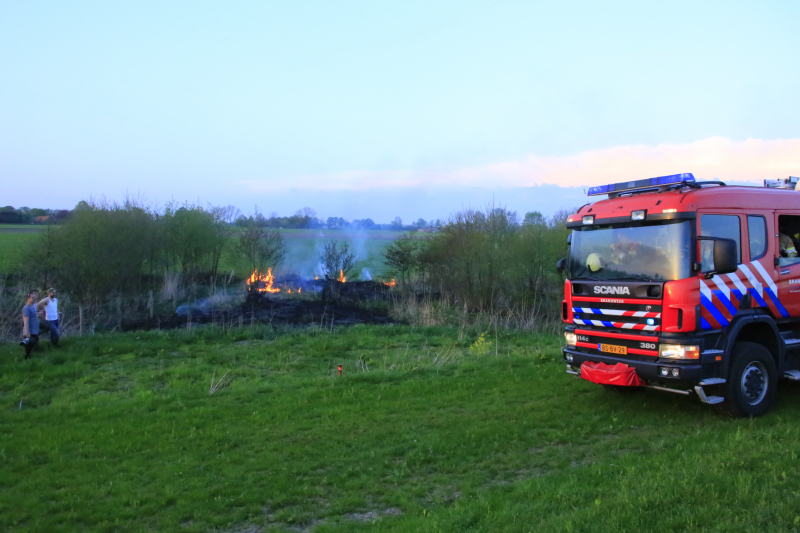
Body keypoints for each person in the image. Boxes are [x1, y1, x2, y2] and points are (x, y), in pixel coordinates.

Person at [21, 290, 40, 359]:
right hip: (30, 330)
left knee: (34, 342)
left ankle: (29, 356)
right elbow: (25, 320)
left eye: (35, 298)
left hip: (34, 329)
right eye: (32, 298)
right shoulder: (26, 308)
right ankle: (26, 358)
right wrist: (27, 331)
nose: (34, 299)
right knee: (29, 344)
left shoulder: (33, 306)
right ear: (28, 298)